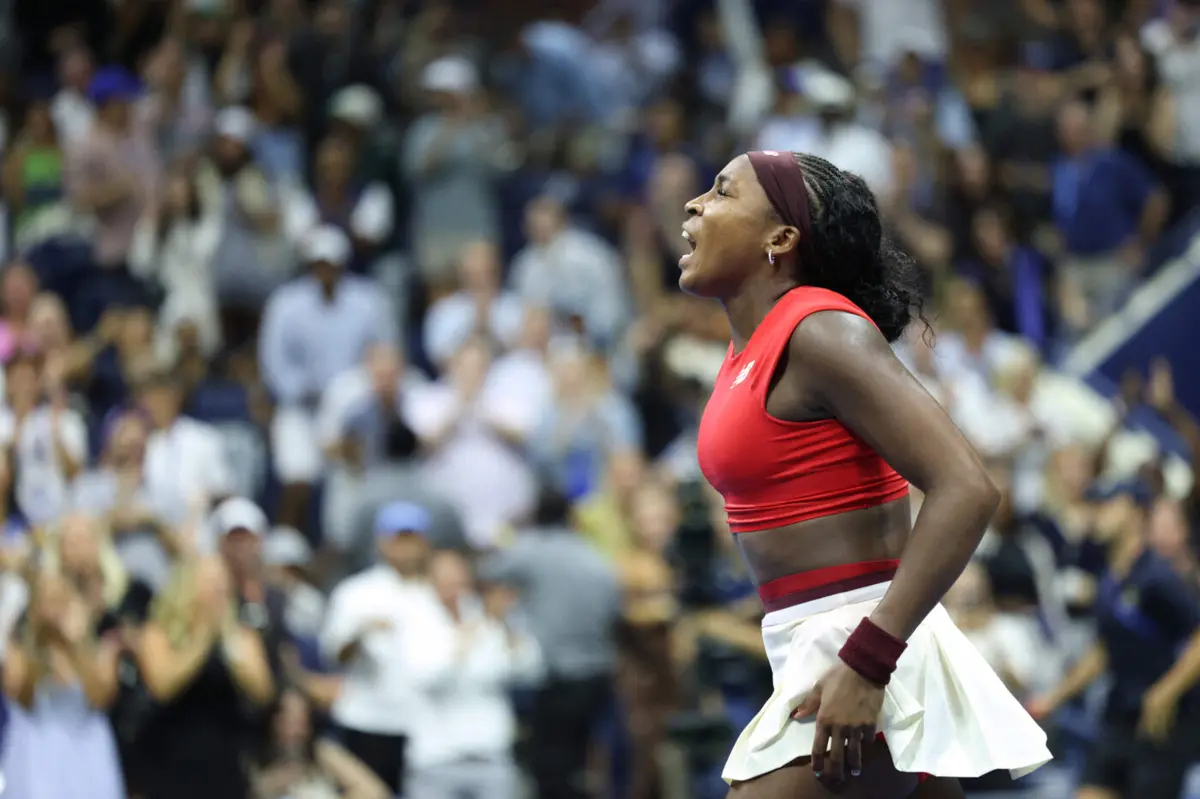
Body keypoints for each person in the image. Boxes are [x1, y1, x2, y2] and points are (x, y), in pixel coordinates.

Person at [679, 150, 1051, 798]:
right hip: (817, 648)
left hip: (860, 650)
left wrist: (870, 659)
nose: (694, 204)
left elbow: (968, 486)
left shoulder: (820, 329)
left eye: (721, 192)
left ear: (781, 237)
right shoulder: (751, 346)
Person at [1029, 481, 1200, 799]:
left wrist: (1164, 692)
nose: (1098, 514)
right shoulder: (1108, 578)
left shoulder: (1157, 577)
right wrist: (1054, 698)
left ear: (1136, 514)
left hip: (1165, 722)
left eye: (1109, 505)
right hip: (1119, 713)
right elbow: (1104, 649)